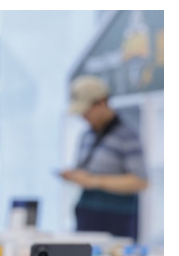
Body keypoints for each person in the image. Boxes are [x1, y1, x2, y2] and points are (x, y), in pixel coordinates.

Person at [60, 75, 148, 240]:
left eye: (86, 111)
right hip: (87, 213)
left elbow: (140, 181)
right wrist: (75, 175)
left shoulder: (127, 136)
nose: (83, 117)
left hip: (116, 218)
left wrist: (95, 181)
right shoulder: (86, 135)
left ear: (102, 102)